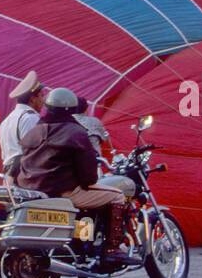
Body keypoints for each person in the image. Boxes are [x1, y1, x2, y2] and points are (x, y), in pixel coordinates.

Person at [18, 88, 134, 265]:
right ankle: (113, 249)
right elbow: (89, 178)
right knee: (117, 195)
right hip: (62, 191)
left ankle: (85, 235)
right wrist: (87, 181)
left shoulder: (33, 132)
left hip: (32, 192)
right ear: (71, 109)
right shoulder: (76, 132)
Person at [0, 71, 46, 182]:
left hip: (9, 173)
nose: (43, 101)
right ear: (32, 99)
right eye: (41, 96)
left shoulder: (7, 120)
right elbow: (33, 152)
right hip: (23, 174)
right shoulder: (30, 118)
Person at [70, 96, 114, 161]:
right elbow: (105, 138)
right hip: (95, 161)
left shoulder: (65, 124)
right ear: (86, 108)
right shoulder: (94, 121)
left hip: (74, 164)